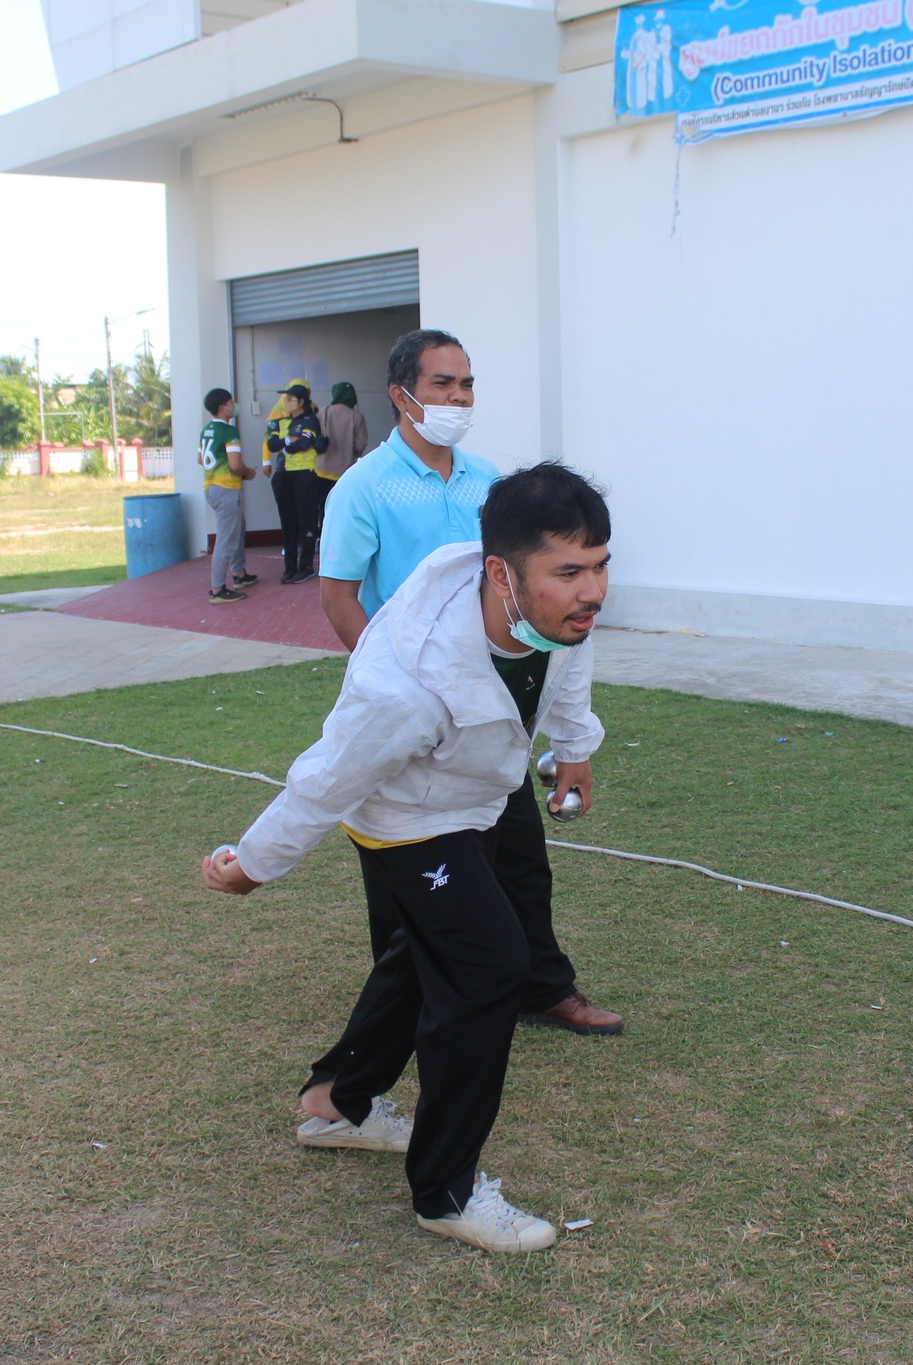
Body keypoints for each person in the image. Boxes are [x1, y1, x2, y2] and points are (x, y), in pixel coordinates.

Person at [204, 463, 613, 1253]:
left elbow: (570, 656)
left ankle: (338, 1101)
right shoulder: (406, 684)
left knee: (424, 951)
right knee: (491, 963)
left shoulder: (552, 611)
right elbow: (325, 781)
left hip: (478, 794)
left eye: (599, 565)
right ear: (503, 572)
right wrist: (250, 865)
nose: (590, 591)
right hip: (406, 817)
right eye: (568, 572)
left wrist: (575, 748)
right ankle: (446, 1191)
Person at [320, 329, 622, 1037]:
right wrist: (399, 689)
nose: (458, 397)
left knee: (520, 858)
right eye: (442, 385)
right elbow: (338, 596)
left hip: (492, 709)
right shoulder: (366, 486)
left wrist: (569, 736)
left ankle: (544, 985)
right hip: (412, 712)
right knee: (411, 879)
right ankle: (408, 1013)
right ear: (402, 396)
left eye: (467, 384)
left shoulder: (490, 479)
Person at [199, 387, 258, 605]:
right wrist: (248, 473)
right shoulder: (229, 432)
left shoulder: (206, 431)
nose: (234, 405)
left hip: (211, 487)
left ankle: (240, 573)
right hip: (226, 489)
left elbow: (200, 459)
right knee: (226, 539)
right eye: (231, 402)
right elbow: (235, 464)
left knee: (237, 528)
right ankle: (217, 589)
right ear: (223, 406)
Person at [266, 382, 328, 584]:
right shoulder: (281, 421)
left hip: (305, 474)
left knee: (307, 521)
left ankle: (306, 566)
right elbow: (271, 443)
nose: (285, 402)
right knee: (288, 521)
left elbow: (305, 443)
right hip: (285, 475)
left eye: (289, 398)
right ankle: (289, 567)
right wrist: (288, 443)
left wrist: (287, 444)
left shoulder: (310, 420)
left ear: (301, 402)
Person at [314, 381, 369, 535]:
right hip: (345, 471)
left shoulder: (323, 412)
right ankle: (341, 537)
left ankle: (323, 537)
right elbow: (360, 443)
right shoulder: (357, 417)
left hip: (322, 469)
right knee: (343, 507)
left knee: (322, 506)